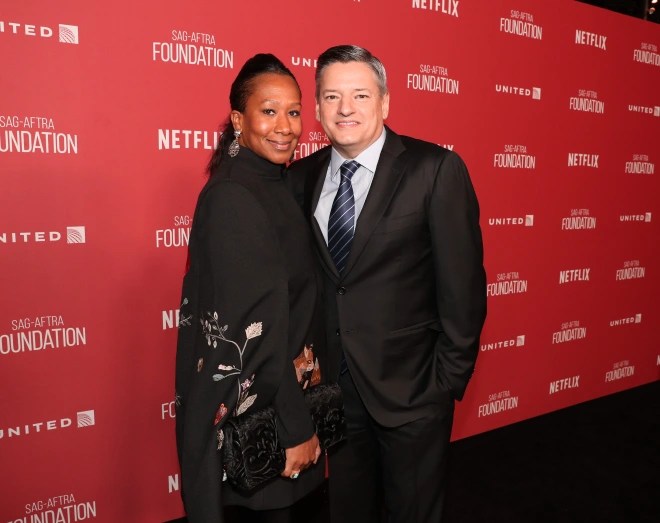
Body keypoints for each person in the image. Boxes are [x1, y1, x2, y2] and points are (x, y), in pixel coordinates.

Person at [287, 45, 487, 523]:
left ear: (385, 103)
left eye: (360, 94)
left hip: (414, 393)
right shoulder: (299, 178)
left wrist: (444, 383)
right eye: (332, 97)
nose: (346, 108)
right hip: (337, 395)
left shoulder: (434, 170)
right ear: (316, 109)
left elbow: (463, 289)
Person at [175, 53, 326, 523]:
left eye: (294, 111)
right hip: (267, 433)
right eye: (269, 111)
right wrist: (296, 426)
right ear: (239, 119)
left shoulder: (275, 184)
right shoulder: (233, 198)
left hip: (285, 412)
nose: (285, 126)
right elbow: (249, 337)